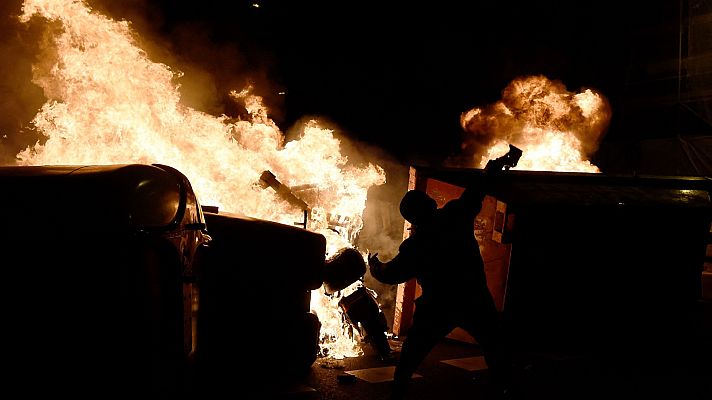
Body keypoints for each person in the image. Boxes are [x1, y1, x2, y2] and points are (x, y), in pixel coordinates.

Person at [368, 145, 521, 400]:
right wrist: (498, 164)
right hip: (473, 297)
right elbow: (477, 189)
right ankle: (506, 388)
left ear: (412, 218)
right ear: (430, 204)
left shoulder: (416, 244)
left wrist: (375, 266)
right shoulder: (455, 215)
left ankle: (399, 390)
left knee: (413, 353)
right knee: (495, 345)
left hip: (439, 305)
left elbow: (393, 273)